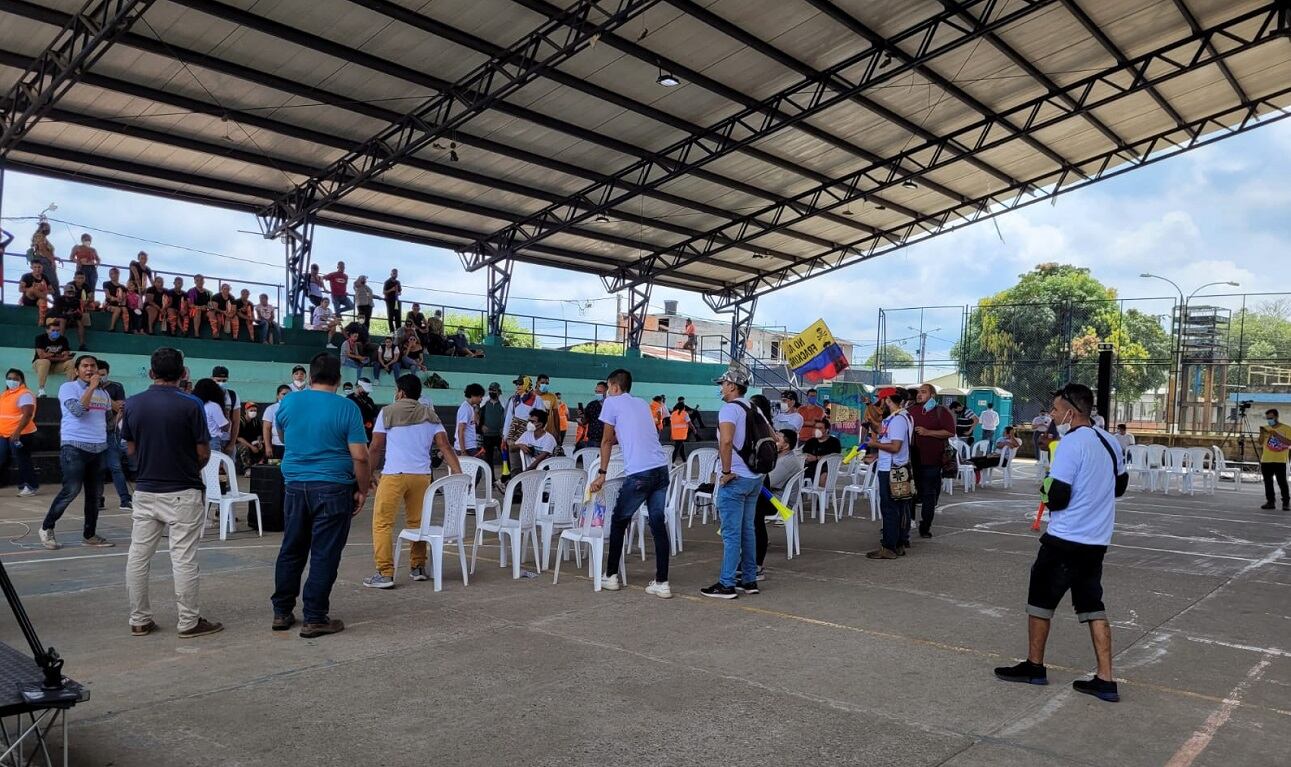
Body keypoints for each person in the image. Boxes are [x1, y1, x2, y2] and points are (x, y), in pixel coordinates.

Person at [994, 383, 1126, 703]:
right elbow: (1119, 486)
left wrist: (1046, 490)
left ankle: (1034, 666)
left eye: (1055, 410)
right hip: (1096, 541)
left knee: (1040, 601)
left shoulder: (1069, 444)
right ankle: (1106, 679)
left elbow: (1059, 495)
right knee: (1093, 605)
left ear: (1070, 411)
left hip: (1064, 538)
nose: (1053, 416)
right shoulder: (1110, 442)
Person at [122, 347, 223, 639]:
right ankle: (188, 621)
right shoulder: (191, 404)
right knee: (183, 557)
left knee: (138, 556)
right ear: (182, 373)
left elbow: (129, 449)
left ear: (151, 373)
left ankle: (139, 619)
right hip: (183, 489)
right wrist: (187, 464)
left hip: (145, 489)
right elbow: (204, 452)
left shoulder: (133, 404)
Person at [271, 352, 371, 638]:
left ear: (310, 377)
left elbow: (283, 432)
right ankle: (314, 617)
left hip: (294, 485)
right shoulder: (347, 408)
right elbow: (360, 457)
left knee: (292, 548)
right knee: (324, 553)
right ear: (339, 380)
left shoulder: (289, 401)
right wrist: (362, 489)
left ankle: (282, 611)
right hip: (333, 486)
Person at [362, 374, 463, 589]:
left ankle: (385, 573)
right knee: (418, 523)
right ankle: (418, 567)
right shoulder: (430, 415)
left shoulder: (387, 412)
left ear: (401, 392)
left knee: (382, 523)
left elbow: (376, 447)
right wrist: (458, 472)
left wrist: (368, 473)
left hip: (394, 475)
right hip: (421, 477)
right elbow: (445, 446)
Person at [587, 368, 672, 599]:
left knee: (619, 520)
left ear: (614, 387)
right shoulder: (642, 403)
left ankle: (611, 575)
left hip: (639, 473)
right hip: (661, 469)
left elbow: (606, 440)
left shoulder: (612, 403)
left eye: (607, 387)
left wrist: (602, 472)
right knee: (657, 523)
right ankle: (662, 582)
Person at [701, 365, 767, 599]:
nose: (721, 388)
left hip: (736, 477)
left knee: (731, 533)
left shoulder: (729, 410)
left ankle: (726, 583)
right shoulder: (754, 408)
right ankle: (749, 580)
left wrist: (726, 471)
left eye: (723, 384)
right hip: (755, 477)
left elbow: (726, 442)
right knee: (747, 529)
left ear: (731, 386)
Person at [39, 355, 113, 550]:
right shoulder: (68, 388)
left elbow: (108, 421)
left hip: (99, 448)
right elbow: (79, 411)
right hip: (75, 447)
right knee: (71, 490)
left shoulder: (104, 394)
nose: (89, 369)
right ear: (76, 370)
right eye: (85, 366)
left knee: (95, 495)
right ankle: (47, 527)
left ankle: (89, 534)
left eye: (93, 366)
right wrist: (90, 388)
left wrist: (122, 413)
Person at [866, 388, 912, 560]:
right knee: (898, 507)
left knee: (890, 508)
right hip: (894, 466)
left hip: (892, 470)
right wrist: (876, 455)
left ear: (888, 401)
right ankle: (898, 543)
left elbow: (895, 447)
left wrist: (875, 444)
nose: (880, 406)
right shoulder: (897, 418)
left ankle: (889, 547)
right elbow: (885, 434)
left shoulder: (898, 420)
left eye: (881, 402)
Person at [911, 383, 956, 538]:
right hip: (912, 460)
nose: (919, 394)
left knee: (929, 495)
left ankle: (925, 525)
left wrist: (928, 432)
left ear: (932, 395)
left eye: (923, 392)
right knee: (909, 493)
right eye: (918, 392)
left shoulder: (941, 411)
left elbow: (950, 432)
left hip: (932, 460)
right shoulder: (911, 410)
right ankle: (907, 523)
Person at [756, 427, 804, 573]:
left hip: (777, 502)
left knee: (751, 509)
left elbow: (767, 481)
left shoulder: (786, 462)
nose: (774, 440)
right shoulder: (780, 457)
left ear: (786, 445)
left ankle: (755, 556)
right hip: (772, 497)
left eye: (778, 438)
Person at [96, 361, 132, 511]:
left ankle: (125, 499)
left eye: (103, 375)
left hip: (111, 431)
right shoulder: (87, 388)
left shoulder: (116, 387)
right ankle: (97, 499)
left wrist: (102, 396)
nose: (101, 377)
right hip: (95, 433)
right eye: (99, 375)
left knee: (115, 466)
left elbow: (120, 407)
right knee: (98, 468)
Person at [0, 369, 39, 496]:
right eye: (9, 378)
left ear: (21, 380)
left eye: (16, 379)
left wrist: (17, 432)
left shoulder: (24, 394)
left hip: (21, 434)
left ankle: (30, 486)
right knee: (1, 459)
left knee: (22, 459)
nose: (12, 381)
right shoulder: (5, 394)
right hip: (4, 433)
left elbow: (27, 414)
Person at [32, 316, 74, 397]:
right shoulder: (40, 338)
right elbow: (41, 355)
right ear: (47, 330)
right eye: (53, 330)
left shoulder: (63, 339)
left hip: (56, 365)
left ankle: (71, 389)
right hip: (40, 365)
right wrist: (58, 356)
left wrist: (50, 355)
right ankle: (41, 390)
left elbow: (66, 355)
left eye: (58, 330)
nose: (56, 332)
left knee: (70, 362)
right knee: (45, 361)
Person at [1258, 408, 1291, 510]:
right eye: (1268, 418)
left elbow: (1289, 442)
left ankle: (1286, 502)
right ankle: (1270, 502)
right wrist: (1262, 435)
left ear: (1276, 417)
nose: (1269, 420)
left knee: (1282, 481)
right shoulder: (1266, 428)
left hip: (1280, 459)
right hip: (1266, 459)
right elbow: (1260, 442)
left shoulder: (1287, 428)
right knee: (1268, 482)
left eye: (1271, 418)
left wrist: (1276, 435)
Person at [194, 378, 230, 455]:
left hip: (196, 441)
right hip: (212, 441)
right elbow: (225, 427)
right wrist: (227, 413)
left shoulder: (195, 404)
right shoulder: (213, 406)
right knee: (214, 465)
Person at [801, 417, 841, 484]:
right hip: (809, 468)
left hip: (826, 468)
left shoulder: (834, 442)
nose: (816, 430)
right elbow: (804, 454)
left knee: (825, 474)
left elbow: (834, 457)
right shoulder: (810, 442)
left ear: (827, 430)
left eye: (820, 428)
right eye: (815, 428)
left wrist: (816, 458)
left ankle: (821, 493)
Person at [50, 283, 88, 351]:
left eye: (72, 292)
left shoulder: (76, 301)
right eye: (69, 292)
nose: (71, 294)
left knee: (79, 321)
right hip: (53, 318)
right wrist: (67, 314)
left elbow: (78, 315)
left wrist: (78, 314)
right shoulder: (58, 300)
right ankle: (60, 344)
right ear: (65, 292)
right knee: (63, 319)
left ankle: (82, 345)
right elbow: (56, 313)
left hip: (69, 318)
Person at [28, 221, 60, 292]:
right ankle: (58, 301)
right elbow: (42, 250)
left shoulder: (42, 237)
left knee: (45, 282)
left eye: (49, 228)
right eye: (47, 227)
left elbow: (46, 250)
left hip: (44, 260)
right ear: (41, 228)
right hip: (44, 261)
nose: (48, 230)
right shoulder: (39, 236)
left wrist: (54, 258)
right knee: (53, 282)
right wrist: (52, 260)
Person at [480, 382, 506, 468]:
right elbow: (477, 415)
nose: (492, 392)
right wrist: (481, 426)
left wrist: (504, 429)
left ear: (498, 391)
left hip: (500, 436)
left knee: (505, 458)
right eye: (490, 390)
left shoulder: (504, 404)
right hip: (487, 435)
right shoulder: (483, 403)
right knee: (488, 459)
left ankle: (505, 477)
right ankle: (491, 479)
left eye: (494, 390)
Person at [455, 383, 485, 456]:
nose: (481, 399)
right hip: (467, 448)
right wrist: (463, 451)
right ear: (472, 395)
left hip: (470, 446)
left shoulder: (471, 408)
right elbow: (460, 431)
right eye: (480, 397)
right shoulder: (465, 409)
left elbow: (476, 423)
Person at [262, 385, 290, 460]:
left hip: (292, 446)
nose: (286, 396)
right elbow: (266, 429)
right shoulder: (271, 409)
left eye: (289, 394)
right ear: (278, 396)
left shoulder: (295, 408)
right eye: (283, 394)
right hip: (277, 445)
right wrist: (268, 447)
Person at [70, 234, 100, 303]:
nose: (88, 241)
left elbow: (98, 259)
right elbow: (71, 257)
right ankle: (82, 303)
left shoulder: (93, 250)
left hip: (92, 269)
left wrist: (96, 264)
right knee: (83, 286)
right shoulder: (77, 247)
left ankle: (91, 304)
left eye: (89, 240)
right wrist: (78, 261)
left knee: (92, 287)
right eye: (86, 239)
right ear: (82, 240)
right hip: (82, 268)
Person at [236, 403, 265, 472]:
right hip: (239, 444)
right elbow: (238, 438)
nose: (253, 412)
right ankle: (247, 469)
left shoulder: (256, 421)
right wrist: (251, 447)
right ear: (246, 411)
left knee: (265, 445)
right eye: (251, 410)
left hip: (253, 443)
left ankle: (260, 464)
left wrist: (260, 442)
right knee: (244, 447)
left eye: (255, 411)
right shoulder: (240, 421)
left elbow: (259, 434)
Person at [582, 381, 607, 449]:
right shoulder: (592, 405)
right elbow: (584, 421)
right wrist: (582, 415)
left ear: (606, 392)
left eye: (599, 392)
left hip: (608, 439)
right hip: (593, 439)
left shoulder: (612, 405)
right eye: (596, 391)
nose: (597, 394)